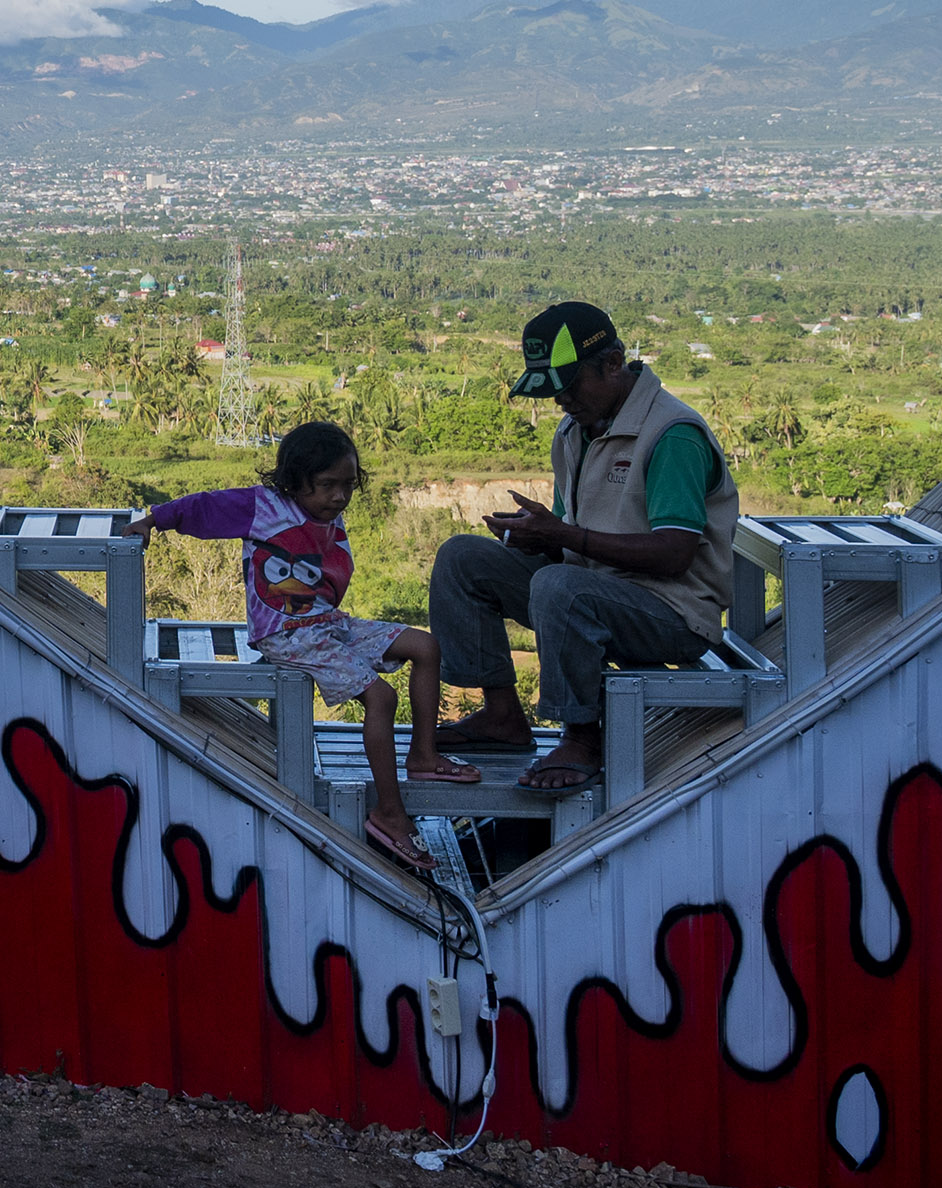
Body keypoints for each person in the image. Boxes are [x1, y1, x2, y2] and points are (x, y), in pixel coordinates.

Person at [425, 301, 743, 797]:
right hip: (595, 589)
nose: (561, 401)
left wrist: (563, 538)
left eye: (570, 386)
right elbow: (571, 537)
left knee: (560, 586)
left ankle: (581, 738)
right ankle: (502, 715)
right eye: (554, 391)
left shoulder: (672, 436)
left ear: (613, 364)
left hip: (672, 614)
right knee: (462, 559)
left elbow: (676, 554)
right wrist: (536, 535)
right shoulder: (576, 430)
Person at [139, 422, 449, 870]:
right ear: (293, 481)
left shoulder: (325, 512)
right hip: (286, 632)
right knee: (381, 697)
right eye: (327, 486)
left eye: (347, 485)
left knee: (425, 645)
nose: (339, 497)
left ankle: (424, 755)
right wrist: (152, 520)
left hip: (326, 623)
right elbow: (203, 507)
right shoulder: (263, 507)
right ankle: (390, 813)